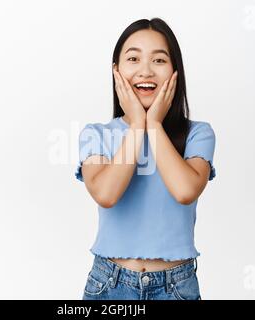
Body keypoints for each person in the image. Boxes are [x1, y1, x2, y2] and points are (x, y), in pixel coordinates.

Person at [75, 18, 216, 300]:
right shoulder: (96, 135)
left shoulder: (198, 134)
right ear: (116, 71)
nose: (145, 71)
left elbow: (185, 190)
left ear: (175, 70)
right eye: (133, 59)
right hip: (109, 284)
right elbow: (106, 194)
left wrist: (154, 125)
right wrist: (138, 124)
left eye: (159, 60)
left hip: (176, 287)